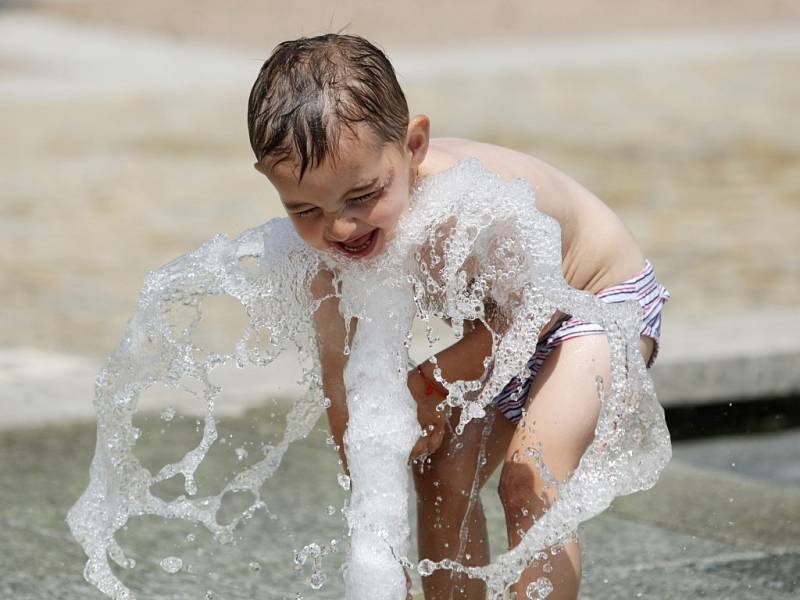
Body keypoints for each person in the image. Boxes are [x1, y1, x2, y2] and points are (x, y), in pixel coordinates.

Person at [247, 33, 670, 600]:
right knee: (441, 476)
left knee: (531, 477)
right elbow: (340, 382)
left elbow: (538, 313)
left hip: (593, 301)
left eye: (363, 196)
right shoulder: (320, 257)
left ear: (413, 145)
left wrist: (425, 383)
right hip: (505, 325)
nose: (340, 228)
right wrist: (374, 513)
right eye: (304, 209)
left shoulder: (468, 205)